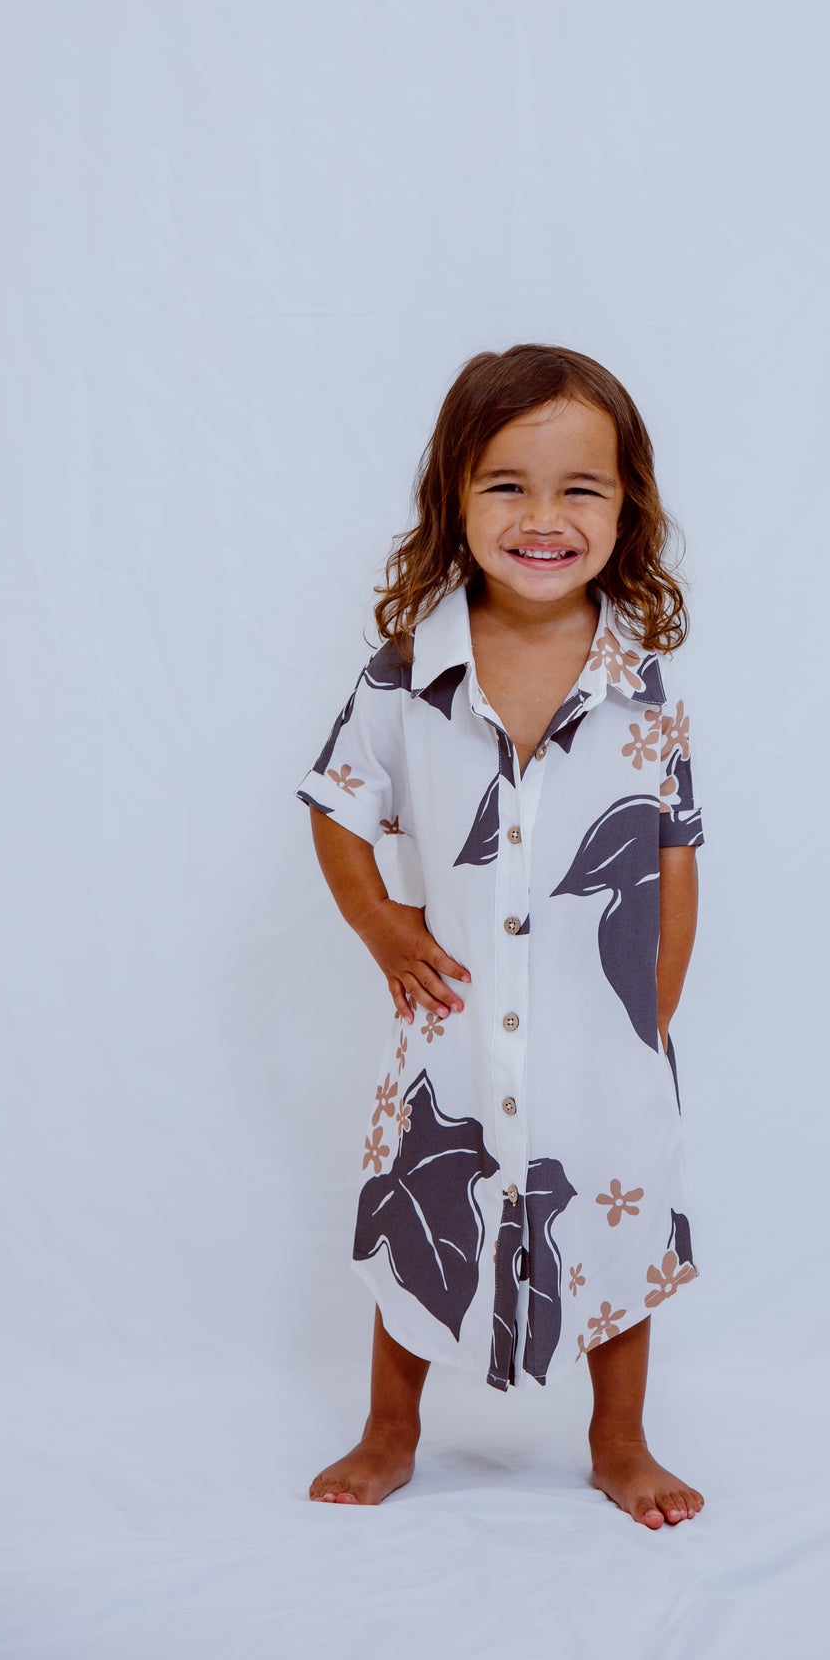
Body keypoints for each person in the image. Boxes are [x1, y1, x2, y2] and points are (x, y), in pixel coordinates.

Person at [298, 343, 707, 1529]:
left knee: (616, 1224)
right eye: (506, 485)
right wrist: (381, 922)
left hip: (601, 1035)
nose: (542, 516)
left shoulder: (644, 682)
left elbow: (674, 847)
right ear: (455, 500)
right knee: (420, 1215)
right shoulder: (406, 673)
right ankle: (391, 1427)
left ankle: (620, 1439)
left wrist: (652, 1013)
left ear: (626, 508)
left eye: (580, 487)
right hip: (454, 1026)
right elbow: (336, 803)